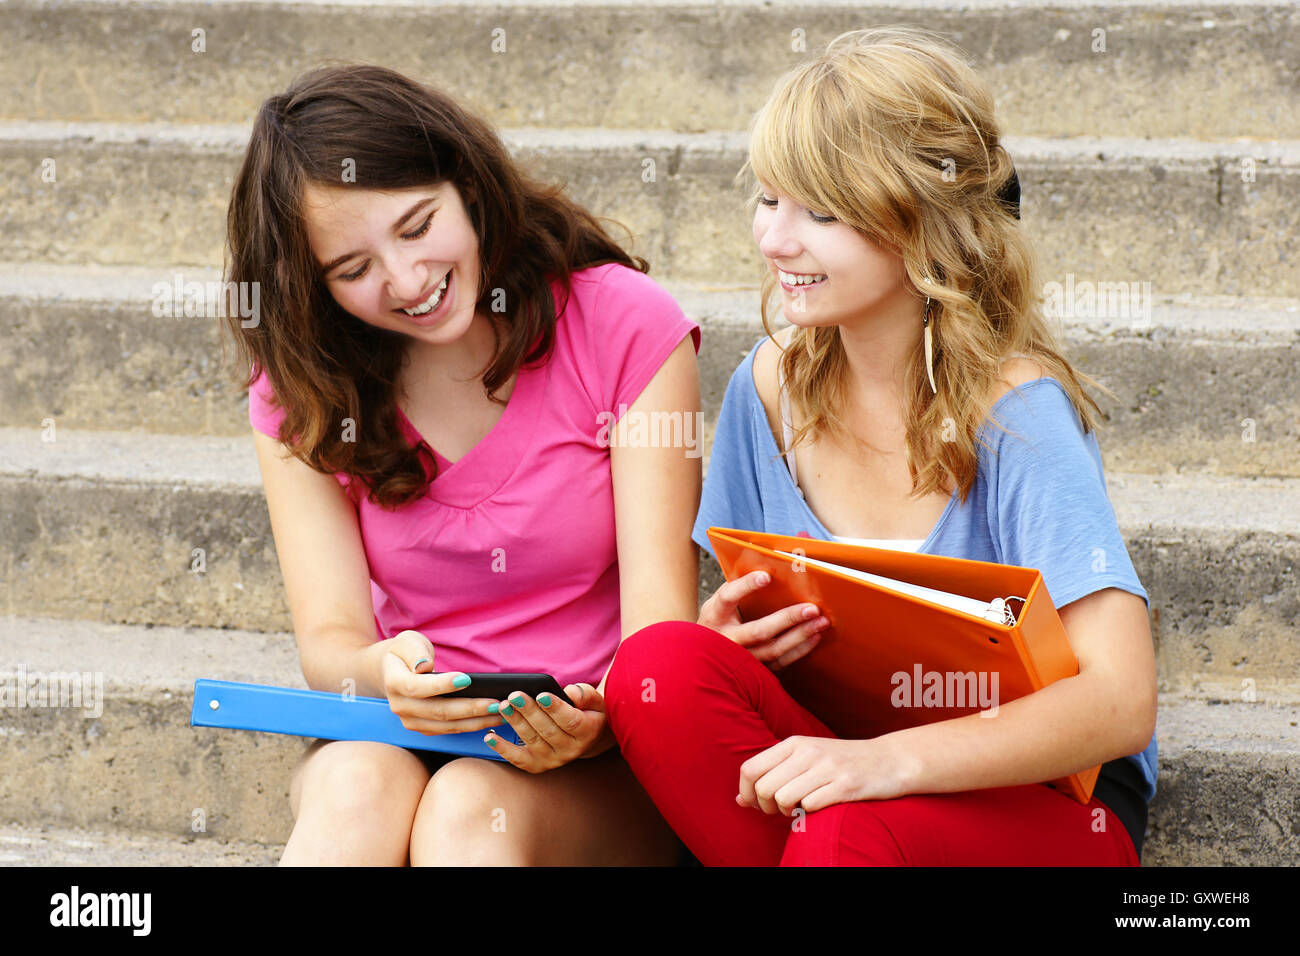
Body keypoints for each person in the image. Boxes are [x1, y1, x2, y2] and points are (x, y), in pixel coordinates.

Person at [603, 26, 1158, 866]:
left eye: (821, 212)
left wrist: (882, 764)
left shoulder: (1017, 411)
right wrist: (730, 641)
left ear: (922, 225)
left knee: (841, 827)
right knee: (665, 666)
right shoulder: (769, 385)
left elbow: (1120, 702)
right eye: (768, 198)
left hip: (1036, 803)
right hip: (844, 770)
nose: (775, 240)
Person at [220, 63, 701, 865]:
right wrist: (385, 669)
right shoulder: (302, 389)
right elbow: (331, 641)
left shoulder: (621, 325)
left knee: (467, 810)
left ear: (467, 187)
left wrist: (591, 724)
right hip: (399, 732)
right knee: (353, 794)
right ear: (313, 284)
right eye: (352, 270)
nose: (407, 281)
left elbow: (661, 636)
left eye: (417, 227)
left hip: (601, 754)